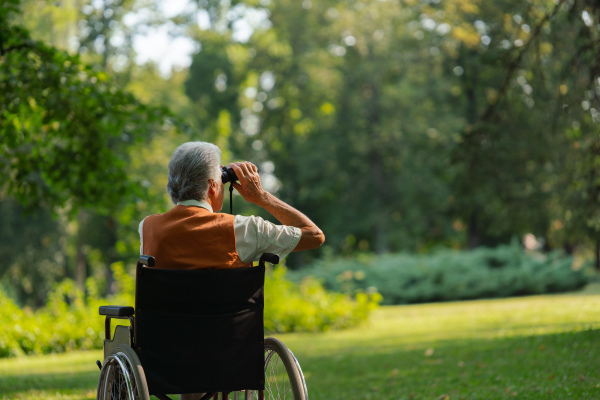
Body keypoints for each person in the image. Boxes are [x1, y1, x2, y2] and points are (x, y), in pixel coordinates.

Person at [139, 140, 325, 270]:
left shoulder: (148, 228)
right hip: (227, 328)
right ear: (212, 186)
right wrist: (262, 197)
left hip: (167, 328)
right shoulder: (244, 229)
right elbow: (314, 235)